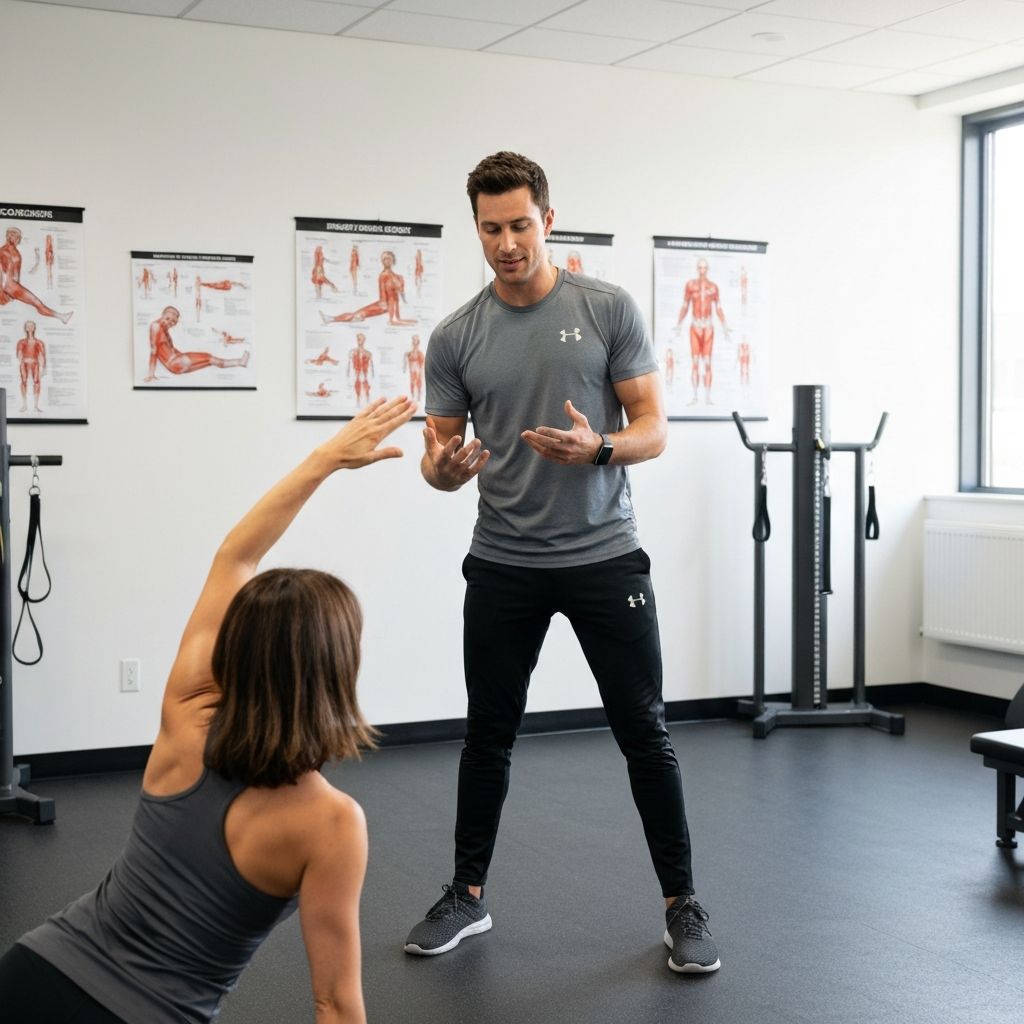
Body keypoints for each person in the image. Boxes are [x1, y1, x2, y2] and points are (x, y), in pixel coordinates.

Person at [0, 395, 417, 1024]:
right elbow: (334, 1003)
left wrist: (326, 459)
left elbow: (235, 556)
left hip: (34, 969)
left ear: (237, 644)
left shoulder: (186, 713)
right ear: (335, 673)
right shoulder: (331, 823)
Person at [404, 151, 719, 974]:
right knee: (488, 736)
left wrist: (602, 447)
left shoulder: (606, 308)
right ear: (476, 228)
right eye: (490, 229)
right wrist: (444, 471)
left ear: (547, 220)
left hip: (603, 557)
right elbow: (438, 460)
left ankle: (682, 904)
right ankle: (466, 895)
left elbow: (653, 426)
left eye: (519, 225)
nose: (506, 243)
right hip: (503, 561)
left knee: (645, 733)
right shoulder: (456, 336)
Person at [145, 306, 249, 381]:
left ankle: (239, 362)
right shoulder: (155, 326)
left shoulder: (163, 328)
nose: (170, 323)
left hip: (177, 364)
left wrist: (183, 356)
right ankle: (240, 362)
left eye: (173, 322)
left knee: (210, 360)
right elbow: (154, 351)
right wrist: (151, 375)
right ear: (162, 315)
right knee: (210, 358)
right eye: (167, 319)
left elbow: (168, 350)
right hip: (176, 362)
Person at [676, 257, 727, 406]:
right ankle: (695, 396)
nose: (702, 271)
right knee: (695, 362)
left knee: (707, 362)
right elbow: (685, 305)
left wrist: (724, 325)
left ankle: (707, 397)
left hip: (708, 328)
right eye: (700, 268)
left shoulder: (713, 287)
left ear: (707, 269)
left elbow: (718, 307)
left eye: (704, 268)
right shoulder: (691, 285)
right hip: (695, 327)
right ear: (697, 269)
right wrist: (679, 324)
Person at [319, 251, 416, 327]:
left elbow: (400, 294)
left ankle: (331, 319)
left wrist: (403, 301)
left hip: (387, 305)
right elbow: (383, 294)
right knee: (357, 315)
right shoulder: (384, 275)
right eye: (384, 259)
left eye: (388, 259)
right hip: (383, 305)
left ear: (393, 260)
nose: (386, 261)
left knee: (357, 315)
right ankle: (332, 319)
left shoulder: (398, 277)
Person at [0, 228, 73, 323]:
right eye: (10, 234)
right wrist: (3, 291)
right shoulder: (3, 251)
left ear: (18, 238)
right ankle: (61, 317)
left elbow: (17, 274)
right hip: (9, 286)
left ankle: (61, 317)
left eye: (14, 235)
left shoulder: (16, 252)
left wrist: (15, 290)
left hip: (13, 286)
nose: (11, 237)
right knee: (37, 303)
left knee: (37, 303)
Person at [16, 320, 47, 412]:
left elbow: (42, 355)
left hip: (35, 364)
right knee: (23, 382)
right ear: (25, 328)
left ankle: (36, 406)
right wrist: (24, 360)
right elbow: (19, 354)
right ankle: (24, 405)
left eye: (31, 326)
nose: (29, 328)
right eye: (28, 326)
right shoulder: (21, 342)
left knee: (37, 382)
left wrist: (42, 367)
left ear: (34, 328)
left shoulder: (39, 342)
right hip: (24, 364)